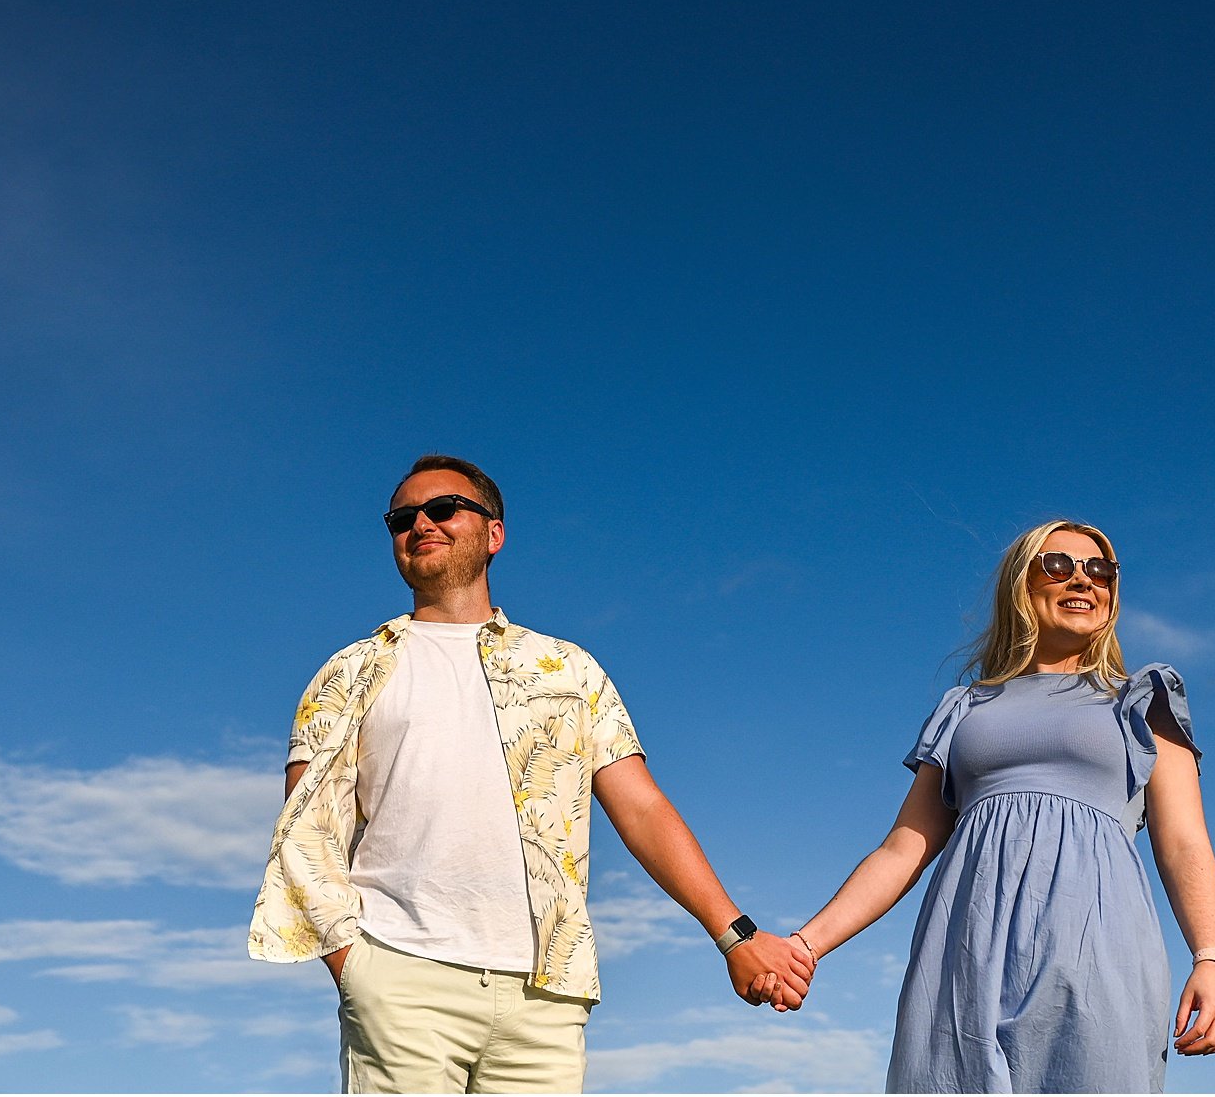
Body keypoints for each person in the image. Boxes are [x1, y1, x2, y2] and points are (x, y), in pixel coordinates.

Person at [250, 454, 814, 1093]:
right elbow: (306, 829)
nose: (421, 524)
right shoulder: (348, 673)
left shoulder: (568, 669)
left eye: (443, 509)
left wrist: (735, 936)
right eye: (402, 519)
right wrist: (356, 966)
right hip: (400, 982)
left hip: (547, 996)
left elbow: (643, 809)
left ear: (494, 533)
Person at [756, 520, 1215, 1093]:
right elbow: (902, 850)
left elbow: (1184, 842)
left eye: (1100, 570)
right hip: (963, 953)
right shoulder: (965, 707)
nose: (1083, 579)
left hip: (1097, 948)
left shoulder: (1141, 701)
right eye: (1058, 565)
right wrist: (804, 947)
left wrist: (1211, 959)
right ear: (1021, 585)